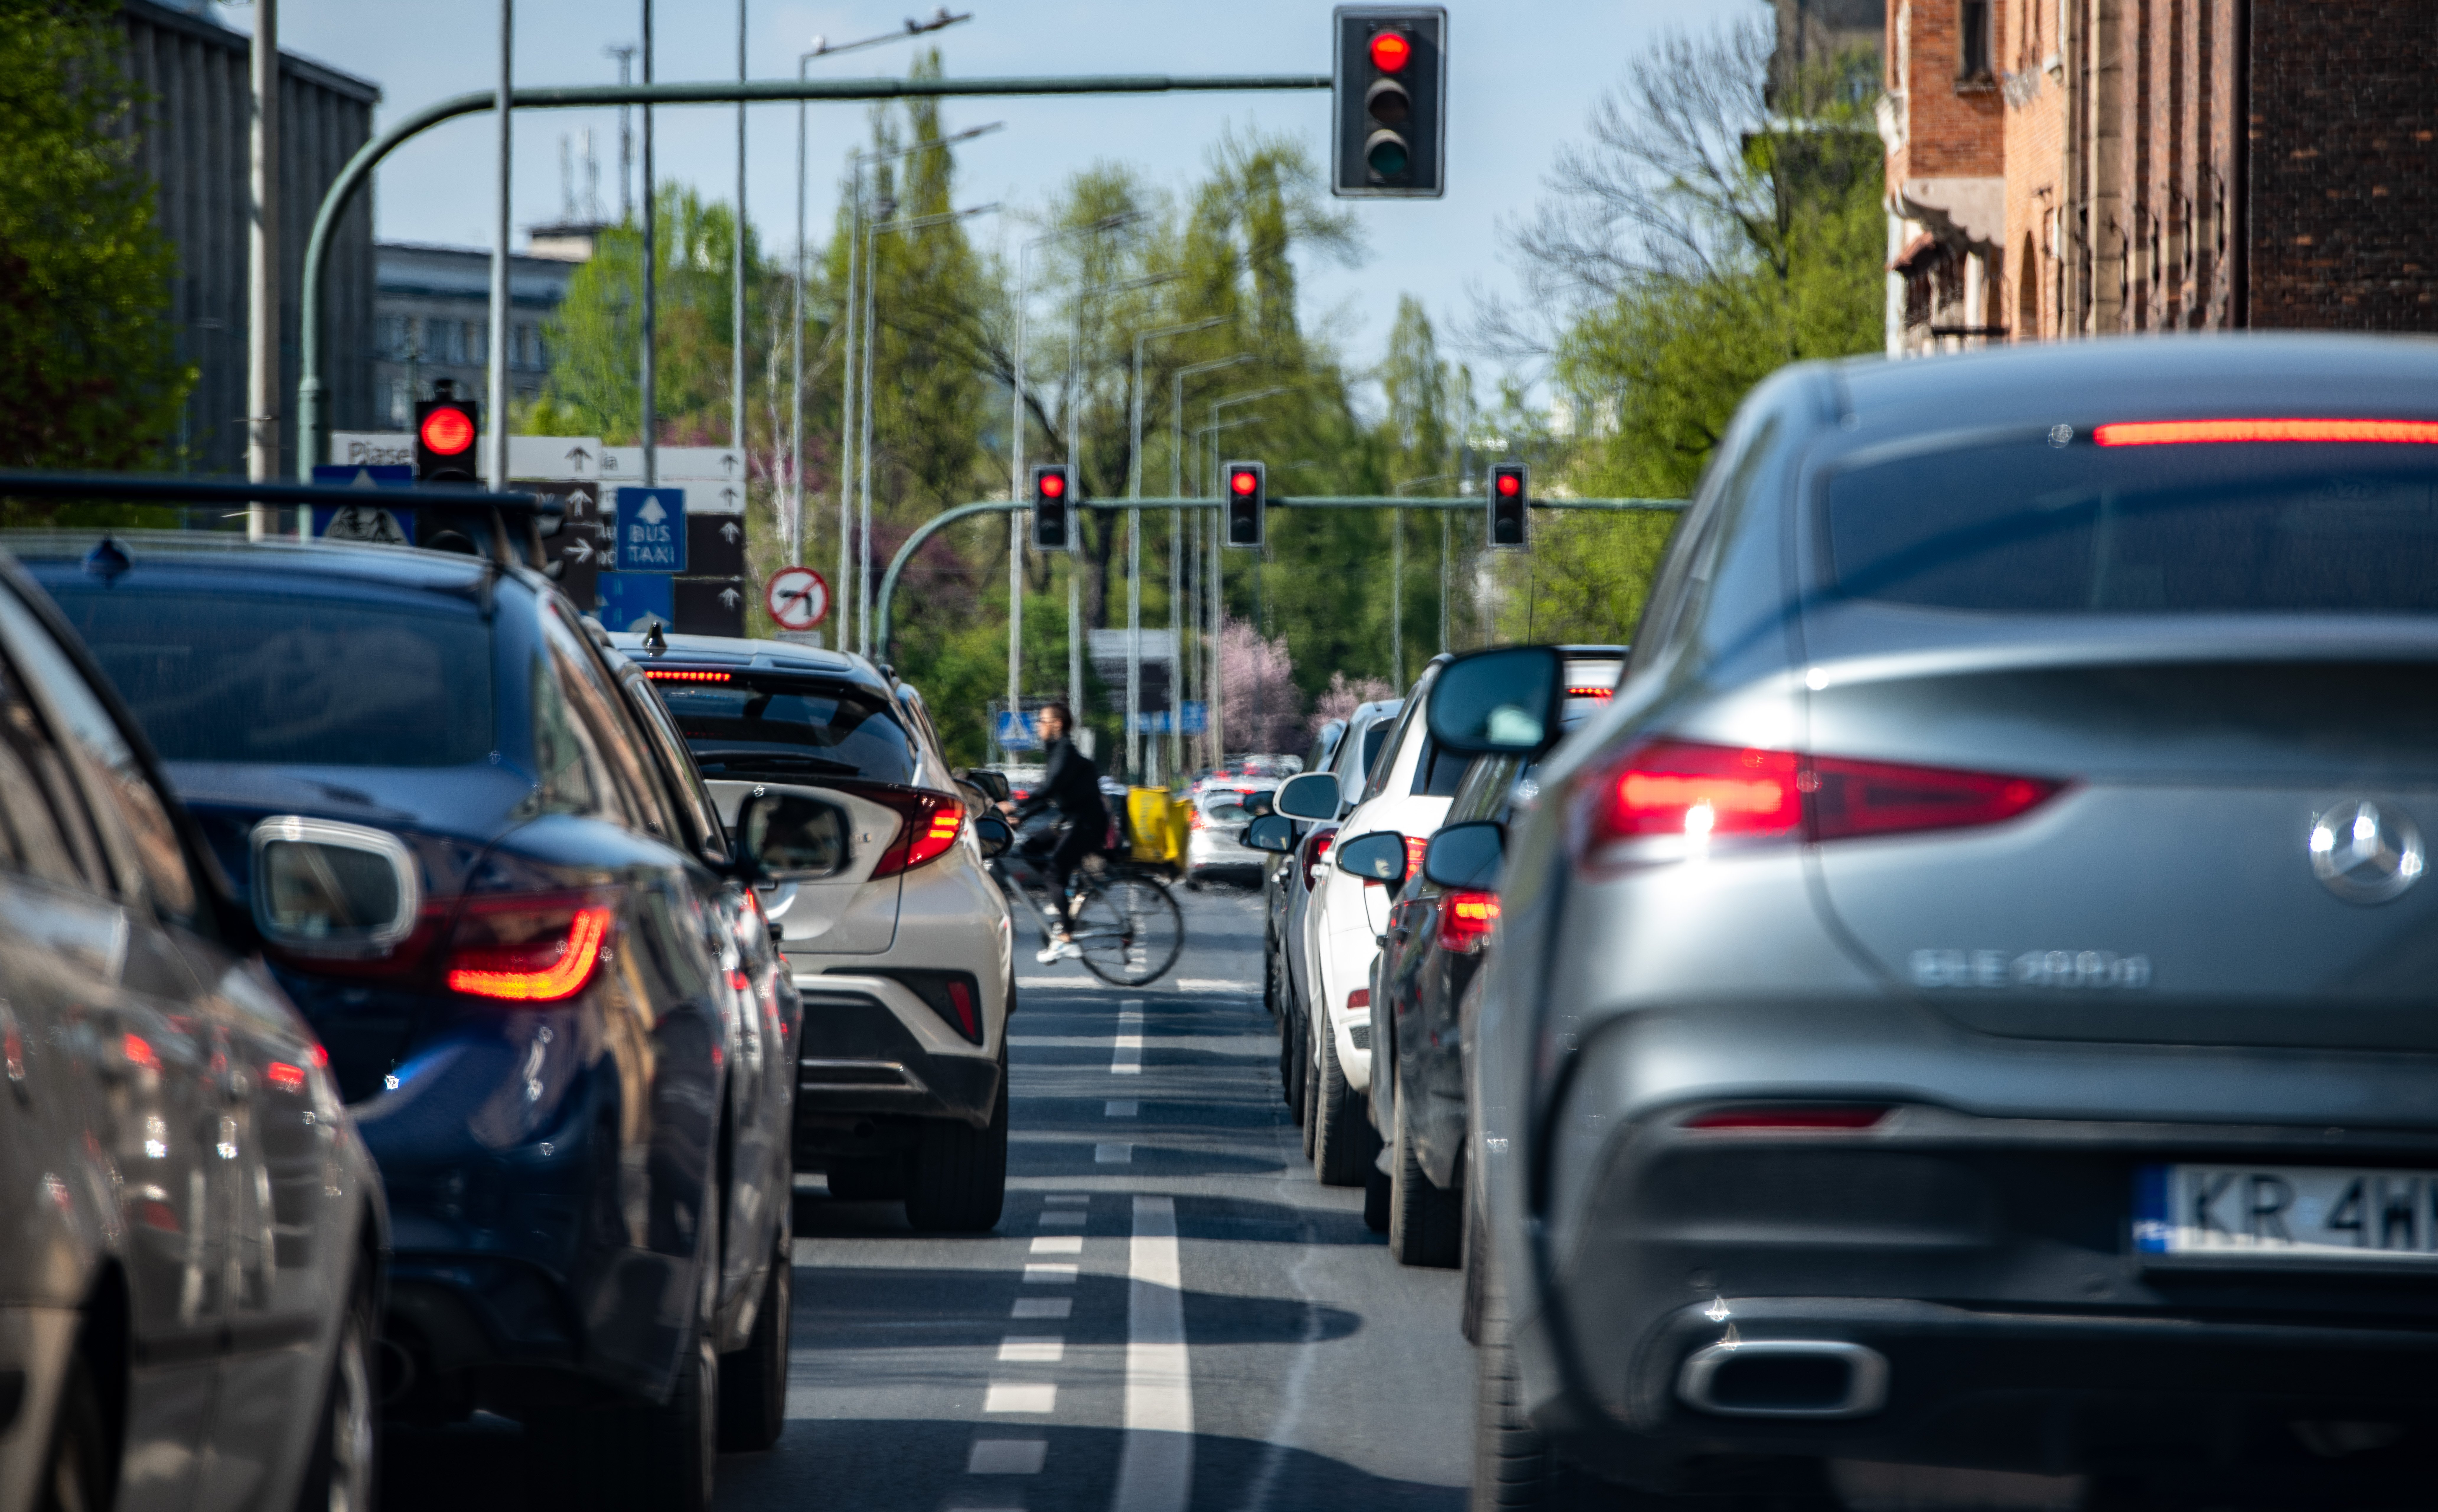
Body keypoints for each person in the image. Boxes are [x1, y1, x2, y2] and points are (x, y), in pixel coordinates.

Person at [1000, 701, 1104, 962]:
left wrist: (1015, 805)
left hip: (1087, 823)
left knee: (1054, 873)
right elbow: (1050, 798)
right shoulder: (1057, 750)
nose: (1038, 726)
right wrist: (1021, 819)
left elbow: (1049, 787)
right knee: (1030, 849)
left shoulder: (1065, 751)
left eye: (1042, 721)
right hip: (1073, 819)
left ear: (1057, 724)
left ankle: (1067, 938)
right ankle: (1068, 900)